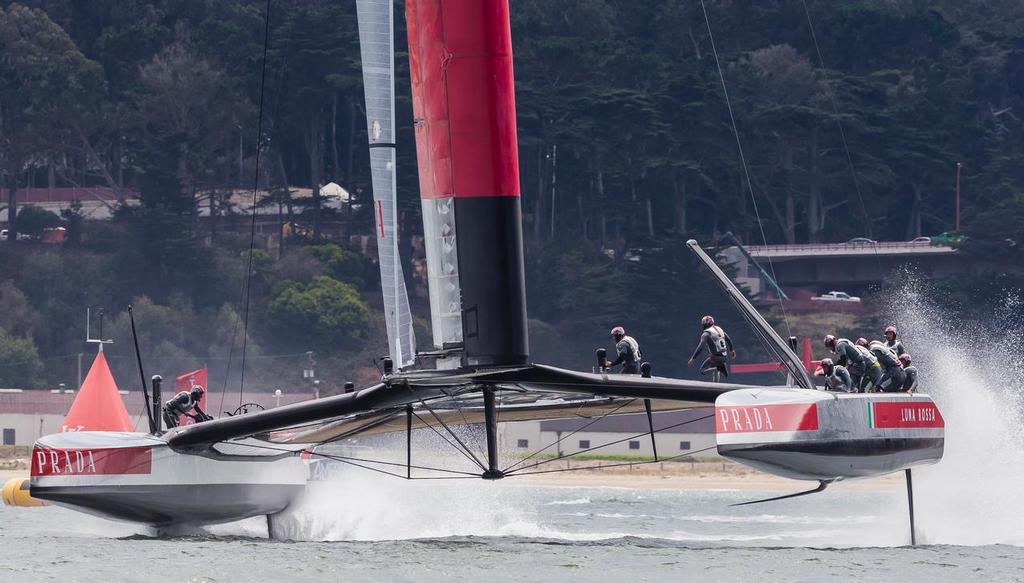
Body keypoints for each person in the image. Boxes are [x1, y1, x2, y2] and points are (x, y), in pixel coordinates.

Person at [688, 315, 736, 380]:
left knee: (702, 370)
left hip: (716, 357)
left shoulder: (706, 333)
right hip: (724, 357)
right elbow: (728, 339)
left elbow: (701, 346)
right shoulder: (719, 329)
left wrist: (693, 358)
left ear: (704, 324)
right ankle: (717, 383)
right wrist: (731, 350)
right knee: (715, 371)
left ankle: (719, 368)